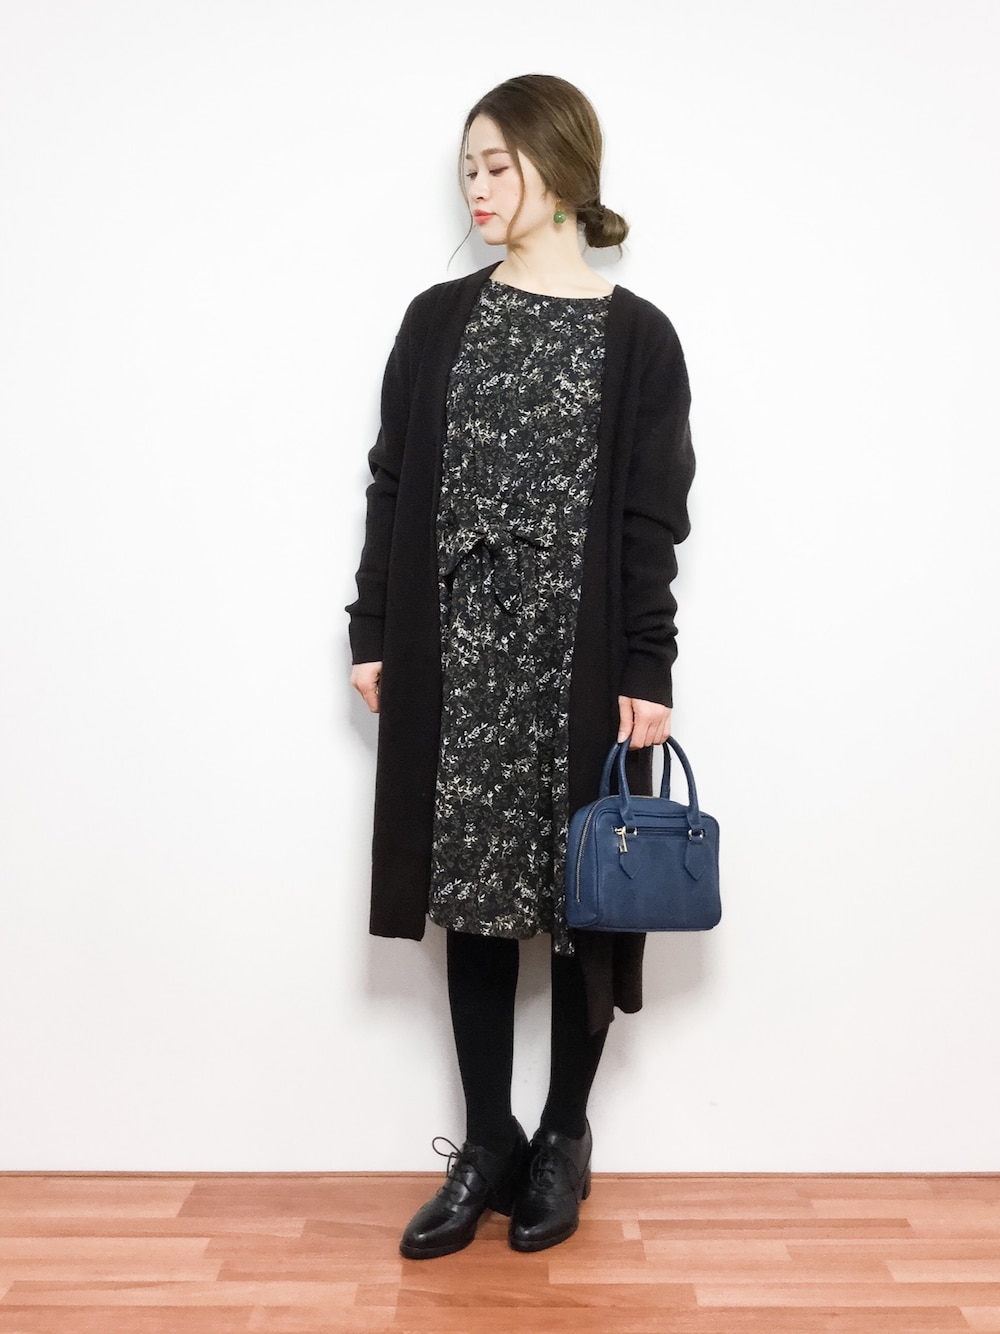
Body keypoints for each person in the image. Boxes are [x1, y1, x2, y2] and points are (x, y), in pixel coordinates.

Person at [346, 73, 695, 1259]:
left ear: (561, 169)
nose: (478, 188)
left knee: (591, 895)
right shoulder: (437, 319)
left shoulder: (638, 338)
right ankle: (487, 1140)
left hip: (579, 663)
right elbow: (392, 481)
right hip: (460, 661)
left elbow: (649, 521)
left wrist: (647, 664)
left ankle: (562, 1135)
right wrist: (374, 630)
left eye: (497, 164)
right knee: (477, 897)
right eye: (467, 169)